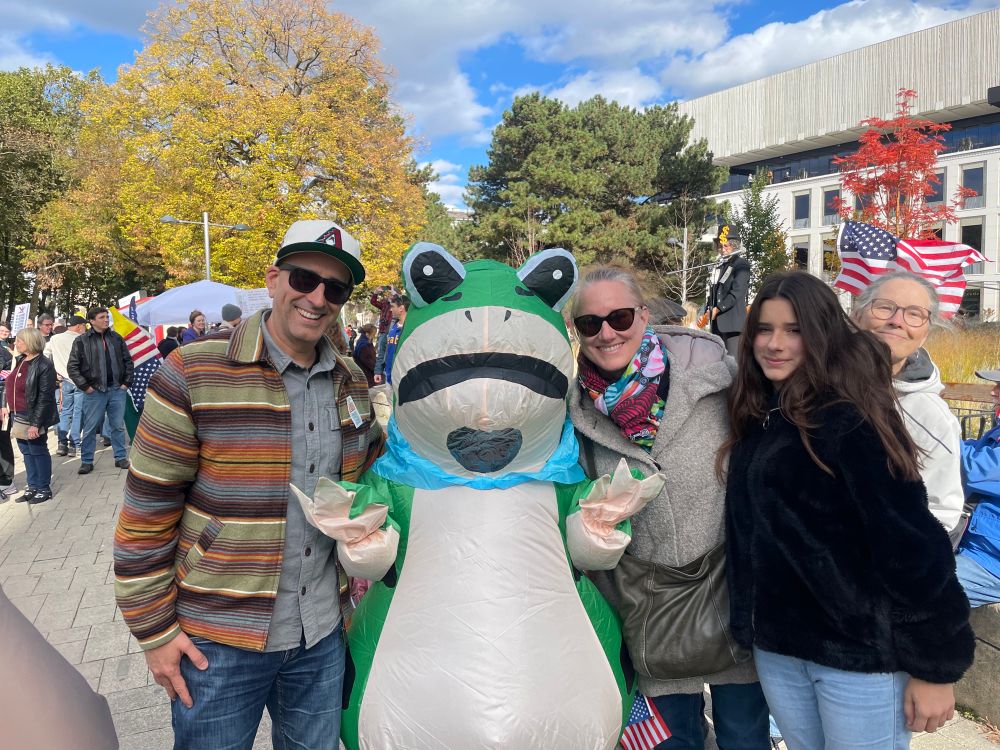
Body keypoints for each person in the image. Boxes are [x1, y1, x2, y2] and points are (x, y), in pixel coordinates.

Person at [114, 218, 386, 749]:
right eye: (305, 278)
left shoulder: (350, 379)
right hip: (217, 640)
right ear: (274, 279)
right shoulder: (194, 371)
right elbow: (147, 512)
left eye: (335, 288)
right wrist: (155, 632)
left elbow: (372, 477)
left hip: (321, 634)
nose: (317, 297)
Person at [722, 270, 974, 748]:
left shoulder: (850, 417)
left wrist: (934, 667)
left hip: (860, 656)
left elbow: (913, 546)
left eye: (794, 330)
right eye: (765, 329)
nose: (775, 344)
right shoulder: (762, 415)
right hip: (781, 648)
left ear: (821, 335)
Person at [569, 266, 768, 750]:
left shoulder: (716, 376)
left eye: (618, 317)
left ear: (642, 314)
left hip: (732, 594)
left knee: (744, 736)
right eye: (590, 324)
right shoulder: (575, 411)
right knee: (668, 743)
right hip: (650, 609)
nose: (607, 333)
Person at [851, 270, 965, 540]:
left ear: (925, 333)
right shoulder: (810, 385)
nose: (897, 321)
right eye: (884, 308)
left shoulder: (930, 416)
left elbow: (939, 514)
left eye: (914, 314)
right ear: (857, 316)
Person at [67, 306, 133, 474]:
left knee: (117, 426)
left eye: (106, 317)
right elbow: (73, 367)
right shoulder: (81, 341)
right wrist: (86, 387)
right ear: (92, 321)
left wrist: (126, 383)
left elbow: (128, 362)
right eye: (102, 317)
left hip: (117, 389)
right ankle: (87, 461)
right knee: (90, 427)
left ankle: (120, 457)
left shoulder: (116, 338)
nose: (106, 320)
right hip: (95, 391)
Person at [954, 367, 1000, 607]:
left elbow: (973, 468)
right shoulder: (998, 430)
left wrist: (936, 434)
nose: (993, 393)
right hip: (974, 545)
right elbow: (974, 447)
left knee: (914, 594)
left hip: (991, 561)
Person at [2, 328, 58, 503]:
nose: (16, 344)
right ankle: (32, 486)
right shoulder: (20, 360)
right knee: (26, 451)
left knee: (38, 450)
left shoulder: (43, 365)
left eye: (19, 341)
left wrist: (36, 424)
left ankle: (43, 488)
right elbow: (9, 385)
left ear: (30, 342)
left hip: (32, 415)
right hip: (17, 414)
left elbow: (45, 397)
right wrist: (4, 405)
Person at [704, 225, 750, 356]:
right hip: (717, 325)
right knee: (720, 363)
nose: (722, 250)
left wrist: (718, 308)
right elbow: (715, 292)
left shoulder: (741, 264)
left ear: (734, 246)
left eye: (726, 246)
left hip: (733, 325)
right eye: (720, 246)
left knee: (733, 364)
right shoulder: (720, 266)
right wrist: (708, 308)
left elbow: (737, 292)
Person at [45, 314, 88, 457]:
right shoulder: (81, 339)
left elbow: (45, 354)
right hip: (80, 380)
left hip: (64, 380)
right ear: (78, 326)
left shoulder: (55, 339)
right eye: (84, 327)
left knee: (65, 412)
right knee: (78, 412)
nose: (85, 329)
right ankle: (74, 444)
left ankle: (62, 443)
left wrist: (55, 370)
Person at [376, 295, 408, 385]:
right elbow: (383, 349)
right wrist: (378, 370)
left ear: (401, 308)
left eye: (393, 306)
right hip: (389, 377)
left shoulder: (410, 327)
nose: (390, 309)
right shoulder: (391, 326)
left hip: (404, 378)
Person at [0, 322, 16, 499]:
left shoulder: (5, 352)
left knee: (2, 440)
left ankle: (6, 481)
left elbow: (6, 381)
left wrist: (3, 405)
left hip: (2, 405)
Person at [369, 285, 395, 379]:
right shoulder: (384, 303)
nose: (388, 294)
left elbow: (401, 301)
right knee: (381, 352)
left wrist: (394, 292)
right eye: (387, 293)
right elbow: (373, 302)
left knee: (390, 352)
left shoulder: (396, 304)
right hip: (383, 331)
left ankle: (388, 372)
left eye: (390, 293)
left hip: (392, 331)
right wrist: (376, 293)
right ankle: (378, 372)